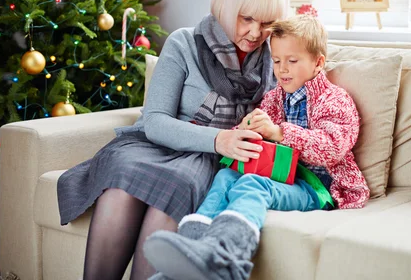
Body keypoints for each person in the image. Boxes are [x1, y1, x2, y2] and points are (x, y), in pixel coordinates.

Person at [56, 0, 290, 280]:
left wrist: (260, 131)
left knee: (175, 188)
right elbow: (154, 122)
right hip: (155, 143)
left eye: (266, 23)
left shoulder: (276, 61)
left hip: (207, 160)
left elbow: (282, 120)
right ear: (226, 6)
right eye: (246, 18)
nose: (254, 33)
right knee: (121, 180)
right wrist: (218, 139)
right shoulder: (184, 43)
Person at [143, 14, 370, 280]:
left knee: (253, 185)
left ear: (318, 63)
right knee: (226, 176)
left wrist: (279, 132)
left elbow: (331, 147)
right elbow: (253, 136)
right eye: (276, 61)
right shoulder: (275, 98)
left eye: (292, 61)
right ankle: (192, 252)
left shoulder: (334, 100)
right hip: (281, 174)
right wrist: (248, 128)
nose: (282, 69)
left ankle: (226, 258)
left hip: (316, 186)